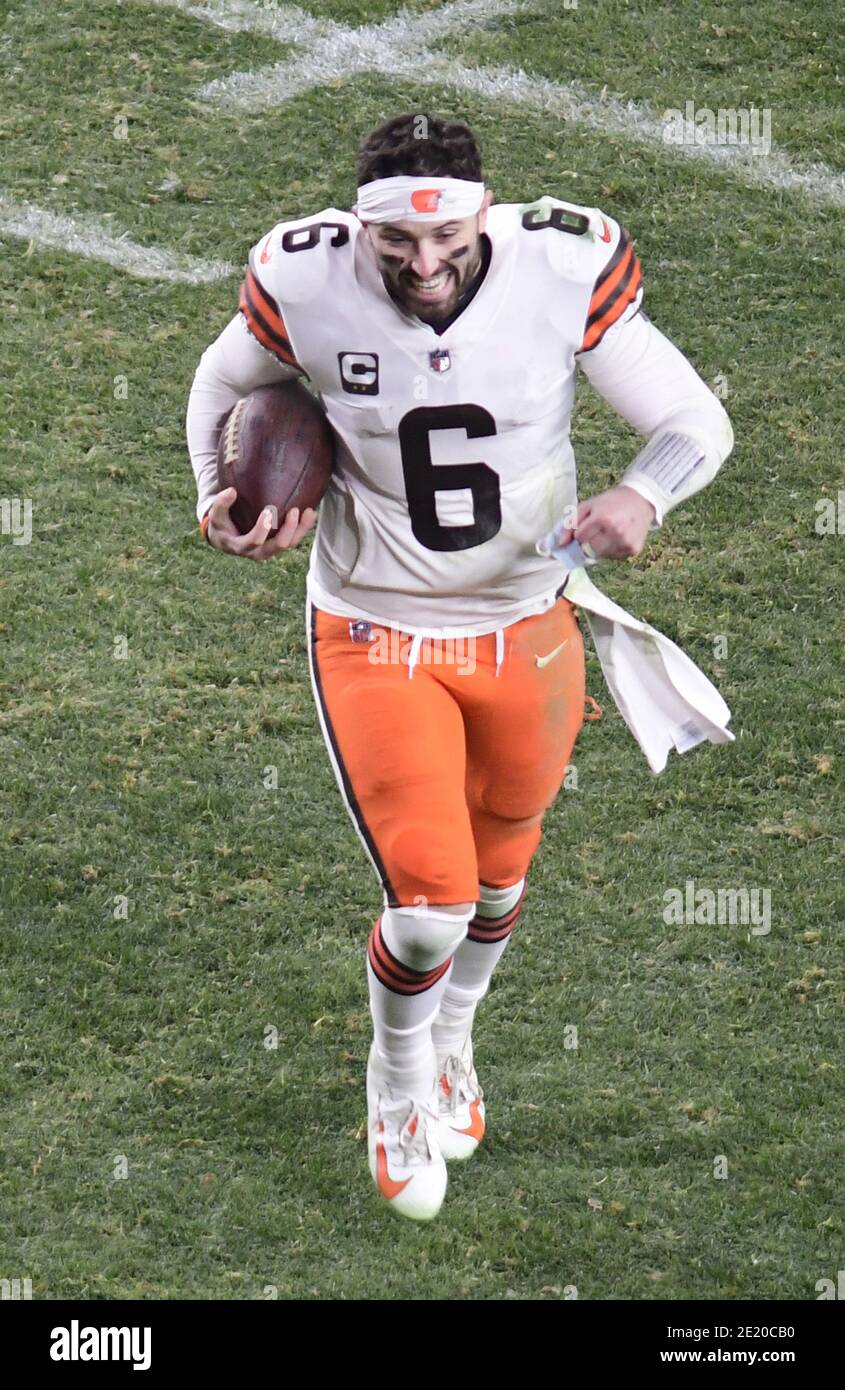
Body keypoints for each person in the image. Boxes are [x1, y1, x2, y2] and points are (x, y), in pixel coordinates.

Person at [186, 112, 734, 1222]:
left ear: (483, 216)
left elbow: (691, 420)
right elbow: (219, 376)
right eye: (398, 247)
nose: (424, 268)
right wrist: (212, 487)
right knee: (428, 901)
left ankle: (454, 1039)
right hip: (376, 629)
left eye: (446, 242)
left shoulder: (561, 267)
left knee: (499, 879)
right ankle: (394, 1082)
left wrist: (643, 493)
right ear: (362, 228)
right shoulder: (304, 277)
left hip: (528, 620)